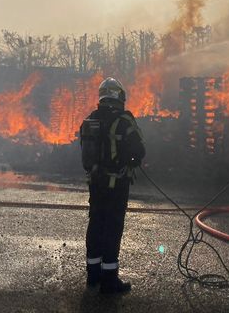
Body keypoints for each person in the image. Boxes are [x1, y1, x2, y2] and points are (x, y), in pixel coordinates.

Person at [79, 77, 146, 294]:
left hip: (95, 184)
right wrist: (131, 162)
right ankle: (109, 280)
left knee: (96, 224)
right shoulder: (124, 120)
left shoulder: (91, 119)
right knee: (112, 228)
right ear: (119, 96)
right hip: (116, 185)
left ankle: (93, 275)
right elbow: (139, 151)